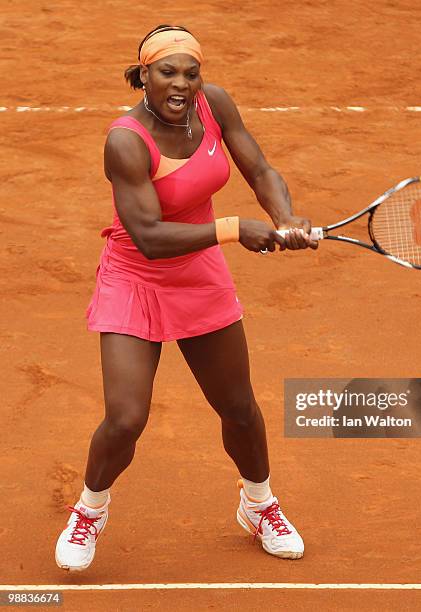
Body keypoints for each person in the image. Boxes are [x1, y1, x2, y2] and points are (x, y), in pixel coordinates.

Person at [55, 24, 317, 572]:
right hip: (135, 277)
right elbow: (149, 237)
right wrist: (233, 228)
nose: (181, 84)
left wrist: (285, 218)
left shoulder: (214, 104)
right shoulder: (125, 139)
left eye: (190, 73)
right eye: (167, 73)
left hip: (198, 271)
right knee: (125, 418)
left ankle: (259, 504)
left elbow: (260, 168)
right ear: (143, 75)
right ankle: (89, 510)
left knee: (239, 409)